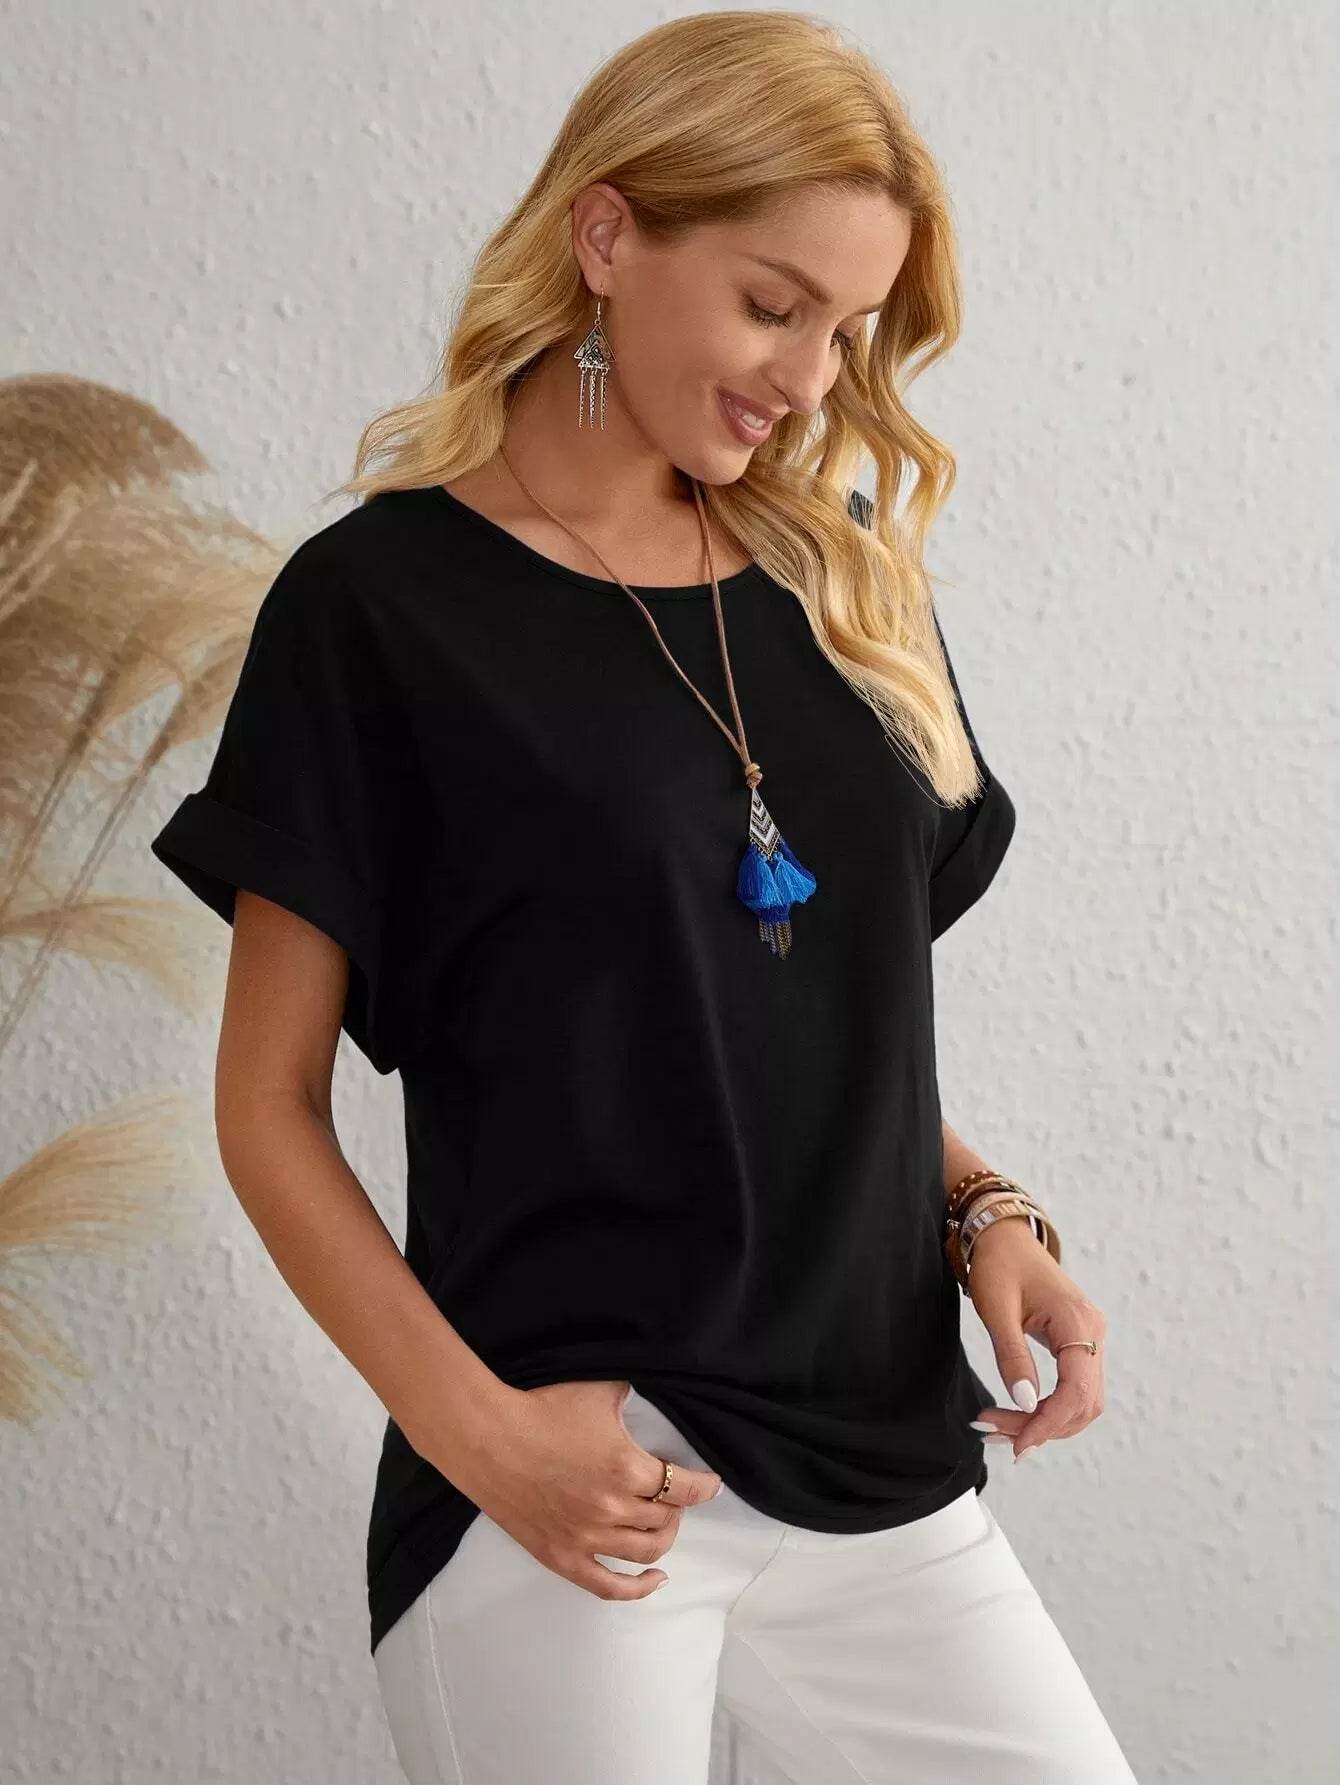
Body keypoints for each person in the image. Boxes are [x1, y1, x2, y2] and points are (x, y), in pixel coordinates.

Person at [149, 13, 1139, 1783]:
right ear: (606, 235)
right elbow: (265, 1107)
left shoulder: (844, 584)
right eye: (774, 305)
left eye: (847, 331)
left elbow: (789, 1026)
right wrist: (482, 1438)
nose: (810, 380)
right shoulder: (377, 612)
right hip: (580, 1488)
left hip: (883, 1461)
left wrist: (985, 1211)